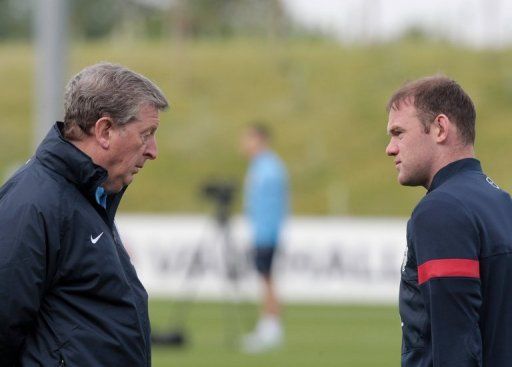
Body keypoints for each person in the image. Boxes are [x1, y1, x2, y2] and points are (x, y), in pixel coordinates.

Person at [0, 62, 169, 366]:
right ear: (105, 130)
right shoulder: (34, 203)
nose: (153, 150)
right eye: (146, 134)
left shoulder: (90, 196)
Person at [385, 75, 512, 366]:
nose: (390, 148)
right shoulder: (502, 202)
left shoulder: (441, 211)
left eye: (398, 133)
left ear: (440, 128)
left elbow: (456, 347)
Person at [240, 122, 289, 353]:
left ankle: (271, 326)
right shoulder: (261, 166)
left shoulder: (269, 167)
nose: (245, 144)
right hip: (261, 231)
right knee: (265, 278)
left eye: (249, 139)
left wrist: (265, 232)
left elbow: (272, 206)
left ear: (260, 139)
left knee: (267, 279)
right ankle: (268, 325)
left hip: (266, 233)